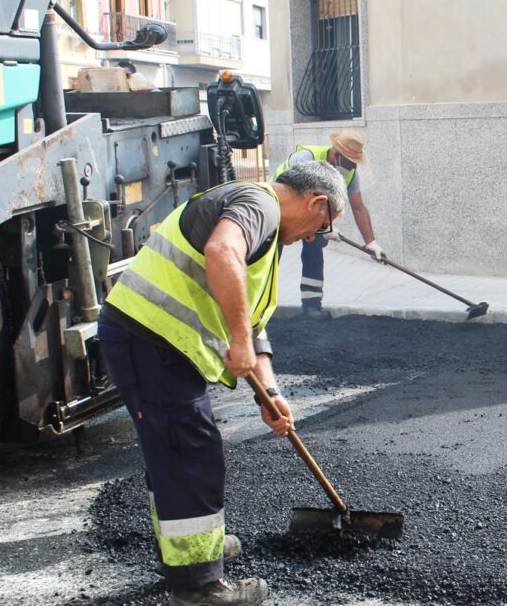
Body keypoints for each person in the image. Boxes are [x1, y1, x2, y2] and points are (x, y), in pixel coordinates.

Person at [97, 161, 347, 606]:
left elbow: (253, 326)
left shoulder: (267, 236)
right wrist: (236, 339)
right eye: (321, 226)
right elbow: (221, 252)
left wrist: (270, 393)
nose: (313, 236)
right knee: (189, 452)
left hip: (156, 344)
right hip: (150, 340)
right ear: (317, 202)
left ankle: (190, 554)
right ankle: (198, 586)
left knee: (177, 452)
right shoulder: (259, 205)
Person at [271, 130, 383, 319]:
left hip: (313, 215)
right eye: (348, 162)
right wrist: (324, 224)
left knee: (315, 250)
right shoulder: (306, 158)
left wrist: (371, 242)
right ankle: (260, 308)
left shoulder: (350, 174)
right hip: (278, 209)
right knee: (272, 255)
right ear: (337, 155)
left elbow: (358, 207)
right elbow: (291, 193)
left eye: (353, 163)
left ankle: (312, 306)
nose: (351, 167)